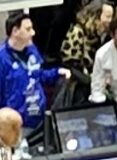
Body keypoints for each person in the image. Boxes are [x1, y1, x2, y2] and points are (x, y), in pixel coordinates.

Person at [1, 13, 71, 147]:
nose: (32, 33)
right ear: (15, 31)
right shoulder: (2, 59)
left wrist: (57, 72)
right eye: (28, 29)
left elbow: (39, 75)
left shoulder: (32, 51)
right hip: (17, 126)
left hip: (39, 121)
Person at [61, 1, 115, 80]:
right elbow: (70, 63)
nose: (110, 20)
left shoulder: (105, 35)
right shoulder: (77, 32)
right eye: (107, 17)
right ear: (95, 16)